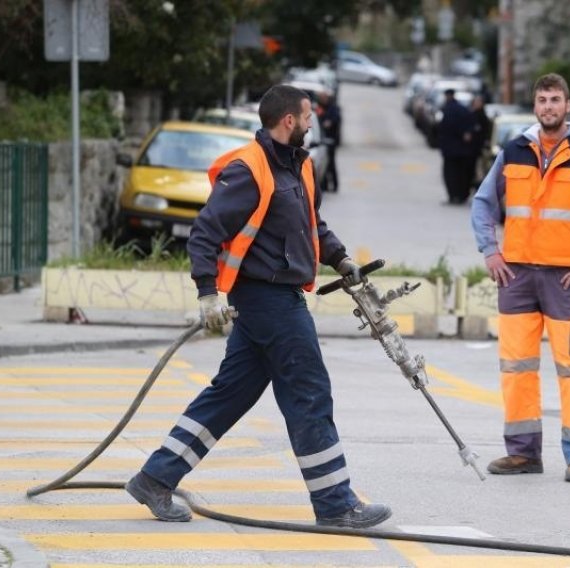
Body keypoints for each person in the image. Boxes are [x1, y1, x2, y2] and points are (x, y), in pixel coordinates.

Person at [125, 85, 392, 528]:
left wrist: (342, 259)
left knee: (230, 395)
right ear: (289, 120)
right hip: (267, 300)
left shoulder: (299, 168)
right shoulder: (249, 169)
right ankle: (336, 505)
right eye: (307, 117)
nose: (311, 124)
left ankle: (155, 478)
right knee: (308, 393)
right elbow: (205, 232)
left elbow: (312, 226)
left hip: (277, 298)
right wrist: (207, 292)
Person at [470, 73, 570, 483]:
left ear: (568, 106)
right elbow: (483, 203)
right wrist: (490, 251)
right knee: (517, 369)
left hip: (566, 280)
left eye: (555, 99)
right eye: (542, 100)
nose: (548, 107)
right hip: (518, 277)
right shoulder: (513, 151)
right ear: (534, 105)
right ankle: (523, 453)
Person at [437, 88, 475, 204]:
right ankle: (461, 195)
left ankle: (453, 195)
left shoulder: (446, 110)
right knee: (461, 174)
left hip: (449, 150)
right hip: (463, 150)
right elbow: (470, 127)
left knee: (450, 174)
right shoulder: (463, 110)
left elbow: (441, 129)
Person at [316, 91, 341, 192]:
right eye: (321, 98)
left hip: (330, 140)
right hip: (321, 139)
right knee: (324, 164)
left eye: (324, 97)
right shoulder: (318, 107)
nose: (323, 100)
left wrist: (329, 122)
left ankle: (334, 185)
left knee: (331, 164)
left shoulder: (333, 108)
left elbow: (336, 119)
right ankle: (325, 185)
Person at [469, 94, 491, 190]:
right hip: (472, 150)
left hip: (480, 149)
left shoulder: (483, 117)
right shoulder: (472, 115)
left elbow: (486, 133)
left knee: (480, 170)